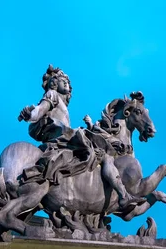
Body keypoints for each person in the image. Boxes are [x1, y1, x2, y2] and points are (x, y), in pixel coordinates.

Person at [19, 65, 144, 209]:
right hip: (61, 138)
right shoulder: (52, 95)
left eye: (67, 81)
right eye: (61, 80)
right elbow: (39, 111)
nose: (66, 83)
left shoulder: (61, 104)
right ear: (54, 83)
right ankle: (123, 195)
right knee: (104, 155)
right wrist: (30, 115)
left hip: (63, 137)